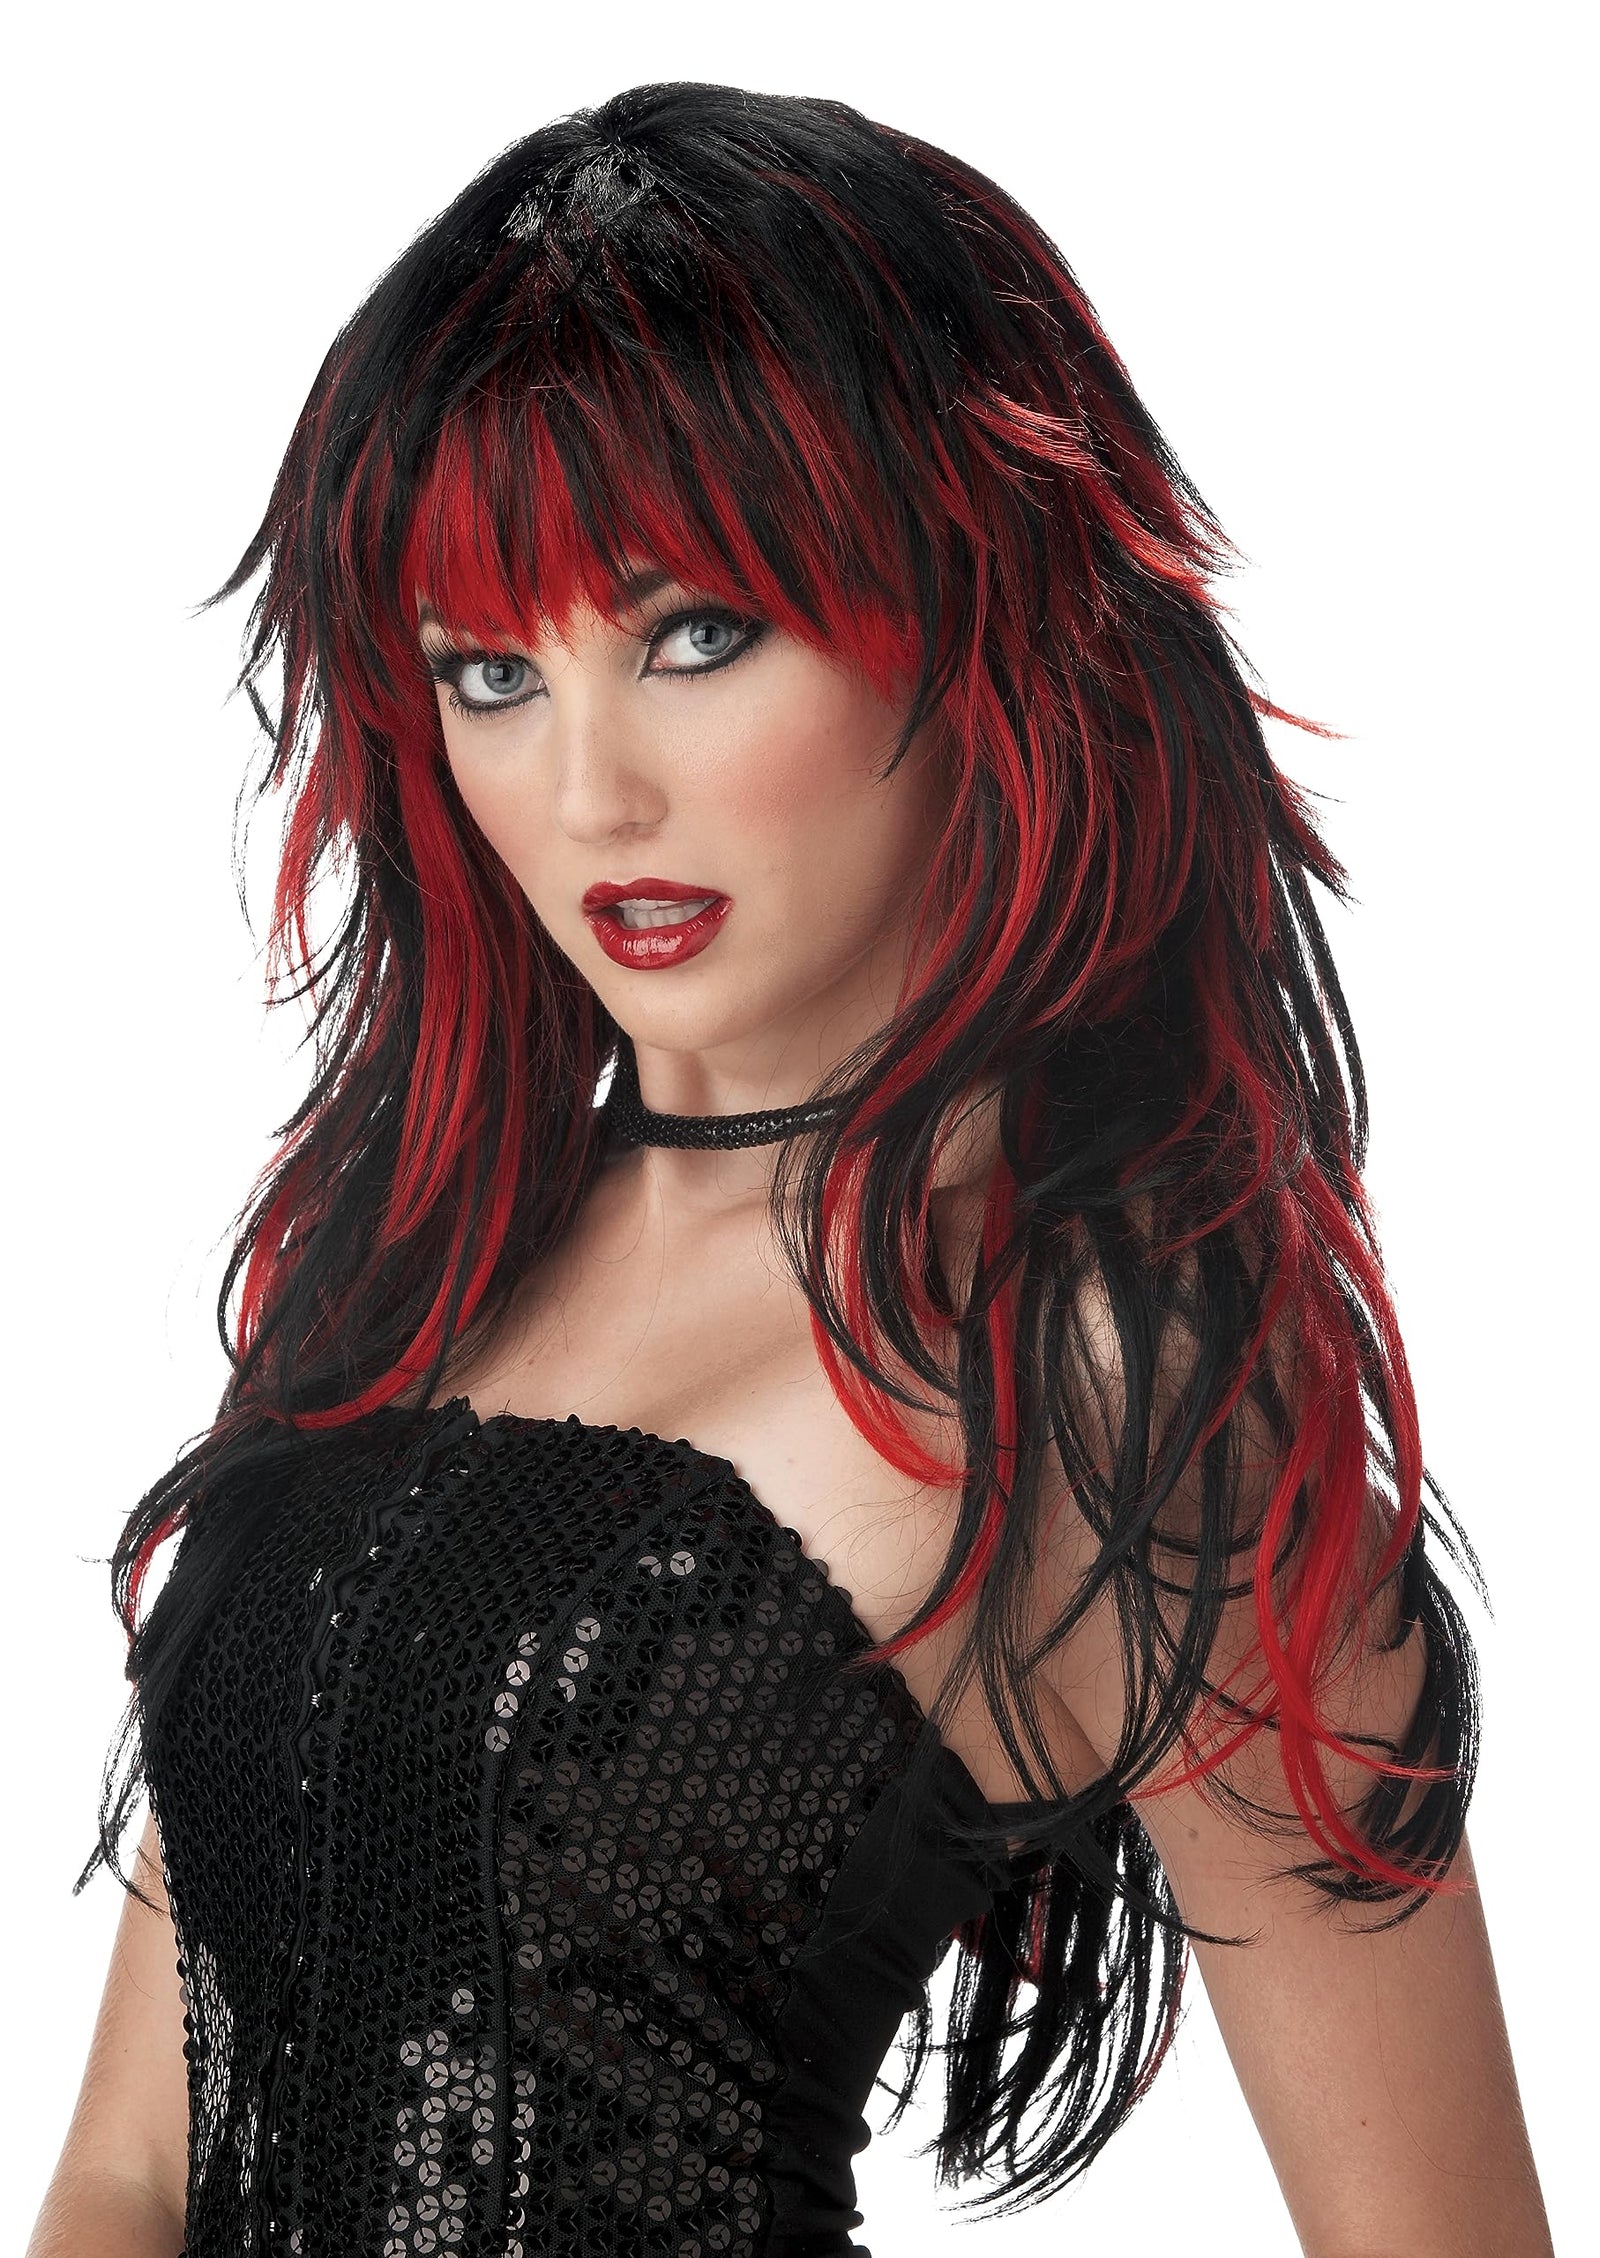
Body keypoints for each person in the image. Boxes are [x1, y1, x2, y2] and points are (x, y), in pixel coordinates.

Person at [29, 79, 1552, 2258]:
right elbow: (128, 2162)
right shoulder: (412, 1259)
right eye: (489, 670)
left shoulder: (1103, 1380)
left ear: (975, 608)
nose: (589, 792)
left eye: (693, 634)